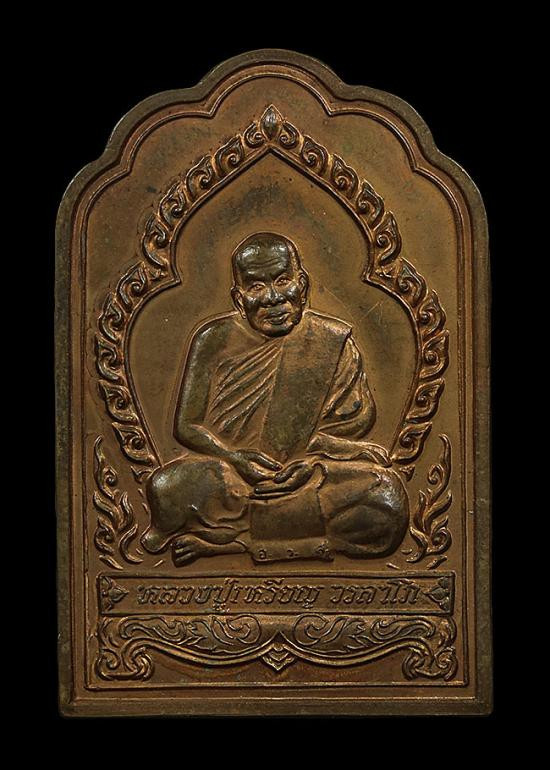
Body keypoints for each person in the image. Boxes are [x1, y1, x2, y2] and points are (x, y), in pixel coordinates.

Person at [141, 233, 408, 565]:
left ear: (302, 286)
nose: (272, 298)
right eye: (256, 287)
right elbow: (186, 427)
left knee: (385, 494)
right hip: (232, 478)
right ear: (239, 299)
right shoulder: (212, 339)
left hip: (308, 477)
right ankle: (271, 532)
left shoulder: (332, 341)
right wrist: (234, 457)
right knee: (166, 486)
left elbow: (346, 430)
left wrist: (316, 463)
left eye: (283, 281)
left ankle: (234, 539)